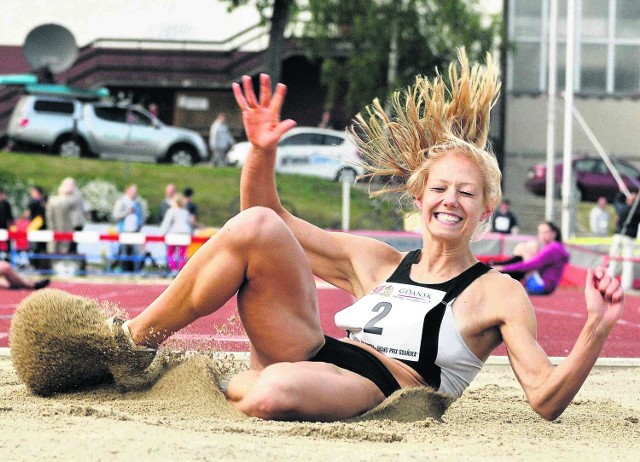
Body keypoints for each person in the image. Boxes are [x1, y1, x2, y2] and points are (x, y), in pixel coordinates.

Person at [33, 50, 623, 423]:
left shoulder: (497, 294)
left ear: (487, 209)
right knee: (258, 229)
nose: (451, 202)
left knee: (271, 391)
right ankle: (129, 346)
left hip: (386, 384)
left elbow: (544, 399)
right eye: (440, 189)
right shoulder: (377, 260)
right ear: (418, 199)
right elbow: (262, 223)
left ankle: (220, 380)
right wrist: (260, 155)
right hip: (313, 351)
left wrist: (596, 328)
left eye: (467, 194)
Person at [492, 221, 569, 295]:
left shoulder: (552, 249)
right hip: (545, 286)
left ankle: (499, 266)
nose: (542, 235)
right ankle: (500, 266)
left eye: (545, 232)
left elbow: (530, 265)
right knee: (530, 247)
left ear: (553, 234)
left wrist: (504, 268)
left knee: (525, 247)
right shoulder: (556, 247)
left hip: (540, 286)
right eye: (540, 232)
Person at [45, 177, 87, 254]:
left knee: (65, 242)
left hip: (70, 224)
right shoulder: (77, 195)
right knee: (69, 243)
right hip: (74, 223)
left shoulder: (70, 196)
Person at [608, 191, 640, 290]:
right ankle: (625, 285)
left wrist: (621, 193)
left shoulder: (623, 209)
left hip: (621, 237)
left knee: (616, 260)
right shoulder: (637, 211)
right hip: (626, 238)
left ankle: (609, 281)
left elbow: (617, 202)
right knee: (626, 262)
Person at [111, 184, 147, 272]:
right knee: (124, 253)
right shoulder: (121, 202)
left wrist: (141, 225)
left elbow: (142, 215)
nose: (134, 194)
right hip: (124, 231)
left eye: (135, 192)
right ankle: (124, 270)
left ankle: (136, 271)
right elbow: (115, 216)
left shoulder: (138, 203)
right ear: (128, 191)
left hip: (135, 231)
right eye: (132, 192)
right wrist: (127, 212)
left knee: (136, 252)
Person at [158, 193, 193, 275]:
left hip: (175, 234)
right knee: (182, 253)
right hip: (185, 234)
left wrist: (160, 234)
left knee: (171, 252)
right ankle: (182, 270)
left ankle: (173, 269)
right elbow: (189, 224)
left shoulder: (172, 211)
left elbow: (166, 223)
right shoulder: (185, 212)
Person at [23, 186, 48, 269]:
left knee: (33, 248)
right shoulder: (45, 201)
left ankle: (35, 265)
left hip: (34, 228)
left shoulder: (33, 202)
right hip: (45, 228)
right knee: (43, 248)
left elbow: (26, 214)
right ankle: (43, 265)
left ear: (36, 192)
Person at [0, 187, 15, 260]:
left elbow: (10, 216)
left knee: (7, 244)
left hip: (5, 227)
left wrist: (12, 226)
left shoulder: (6, 204)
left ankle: (7, 258)